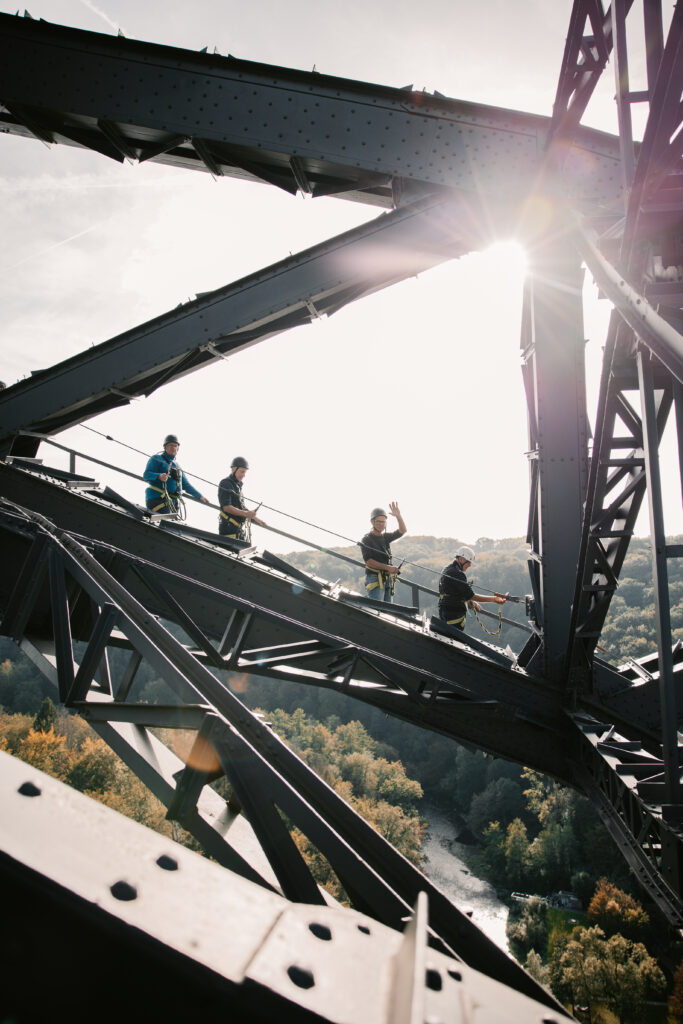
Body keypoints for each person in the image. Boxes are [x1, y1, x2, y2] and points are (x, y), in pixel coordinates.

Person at [438, 546, 507, 630]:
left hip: (445, 611)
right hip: (453, 614)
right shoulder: (457, 574)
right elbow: (471, 595)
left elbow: (454, 592)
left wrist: (470, 601)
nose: (470, 565)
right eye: (468, 562)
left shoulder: (447, 569)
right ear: (461, 559)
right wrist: (494, 599)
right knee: (453, 637)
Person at [144, 434, 209, 514]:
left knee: (169, 524)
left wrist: (199, 496)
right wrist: (159, 476)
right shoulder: (156, 458)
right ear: (165, 447)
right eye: (171, 445)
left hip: (173, 503)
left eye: (175, 446)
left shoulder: (177, 466)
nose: (173, 448)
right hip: (158, 499)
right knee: (164, 523)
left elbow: (186, 485)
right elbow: (146, 475)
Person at [359, 503, 407, 603]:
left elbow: (402, 531)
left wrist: (398, 516)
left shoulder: (385, 537)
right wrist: (388, 568)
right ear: (372, 522)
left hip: (386, 578)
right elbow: (368, 561)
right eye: (378, 522)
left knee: (388, 612)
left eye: (383, 522)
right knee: (376, 610)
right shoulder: (366, 539)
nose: (381, 524)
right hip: (374, 578)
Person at [218, 457, 266, 540]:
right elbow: (226, 507)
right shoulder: (226, 483)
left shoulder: (238, 485)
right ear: (233, 469)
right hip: (229, 530)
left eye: (245, 472)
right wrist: (246, 514)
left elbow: (242, 506)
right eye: (242, 471)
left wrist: (255, 518)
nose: (244, 475)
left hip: (237, 529)